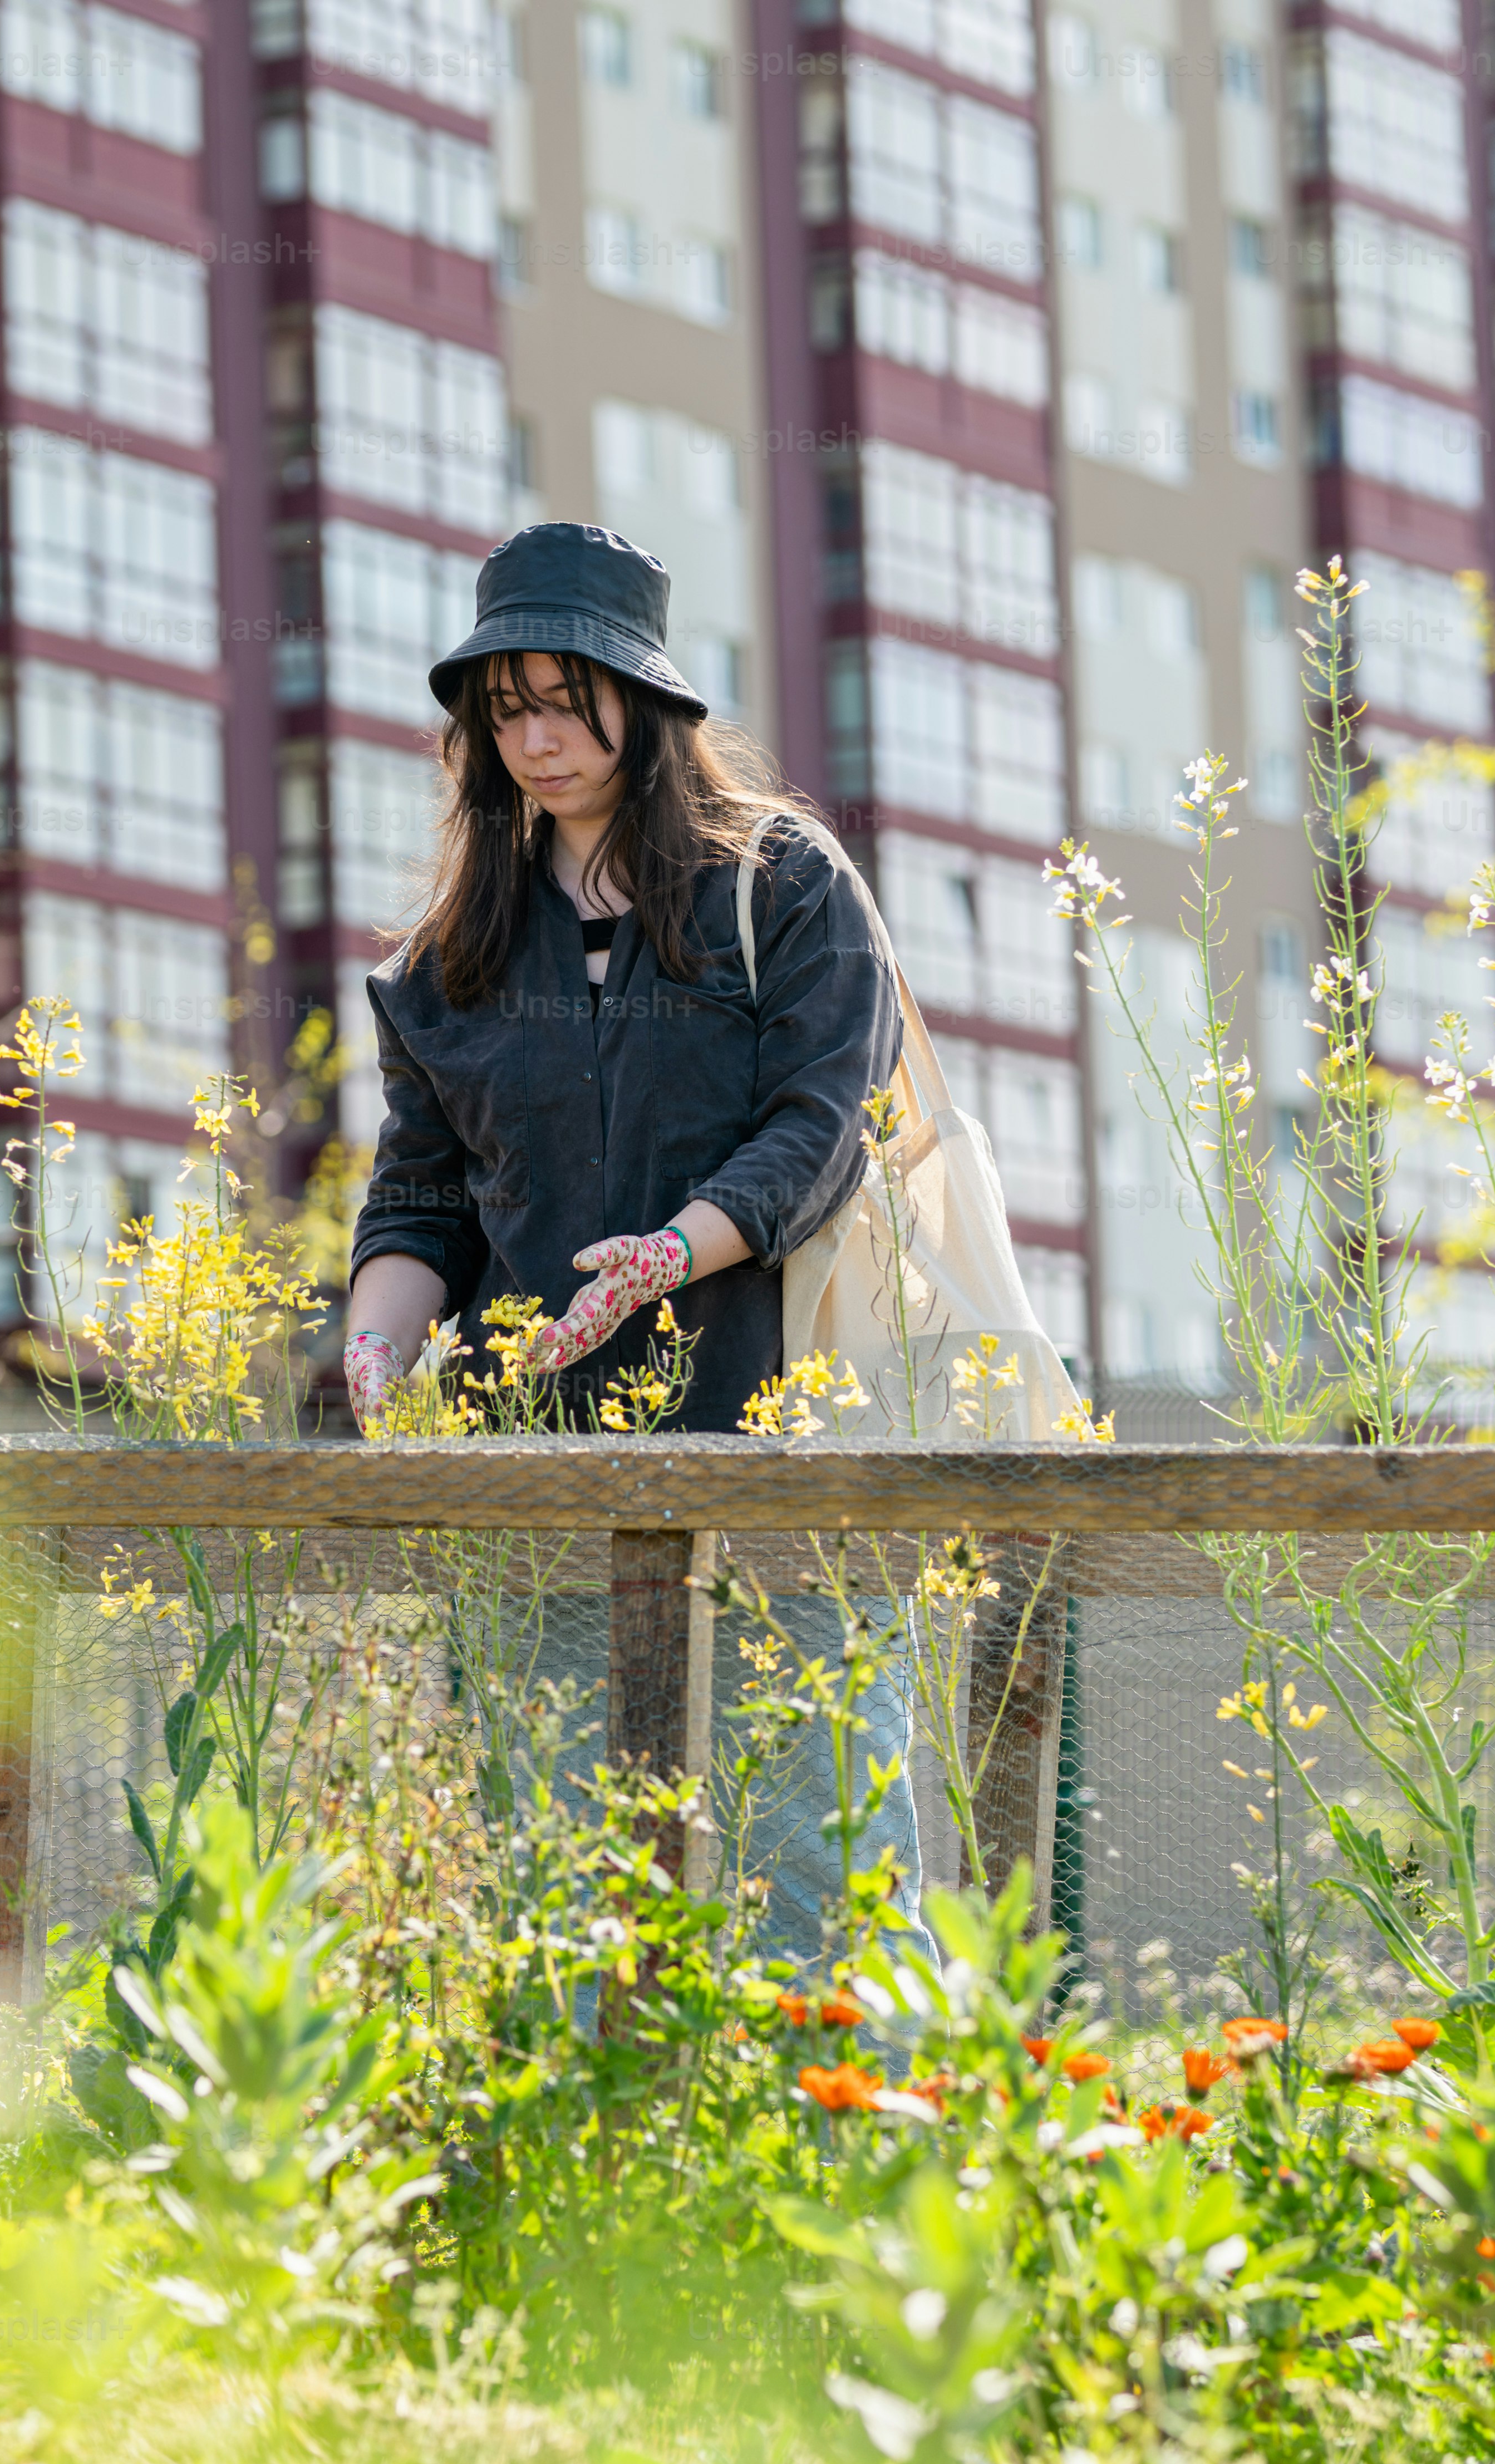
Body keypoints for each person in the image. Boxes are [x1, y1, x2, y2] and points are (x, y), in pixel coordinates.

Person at [338, 519, 927, 1952]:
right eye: (504, 706)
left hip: (782, 1440)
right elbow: (422, 1191)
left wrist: (671, 1252)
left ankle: (859, 2145)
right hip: (534, 1467)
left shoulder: (779, 884)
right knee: (554, 1884)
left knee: (822, 1868)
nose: (535, 736)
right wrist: (376, 1332)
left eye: (564, 696)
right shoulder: (445, 957)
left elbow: (820, 1125)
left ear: (646, 699)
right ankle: (584, 2166)